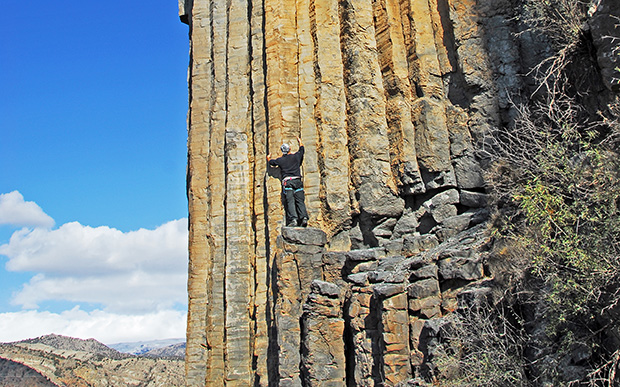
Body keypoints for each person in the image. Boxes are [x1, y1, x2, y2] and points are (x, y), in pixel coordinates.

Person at [267, 136, 309, 227]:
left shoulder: (281, 160)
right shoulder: (296, 157)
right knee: (300, 200)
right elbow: (302, 149)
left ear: (282, 151)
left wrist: (268, 158)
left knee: (290, 201)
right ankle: (303, 218)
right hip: (297, 181)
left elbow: (272, 162)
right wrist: (300, 141)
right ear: (290, 149)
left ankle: (293, 220)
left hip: (288, 182)